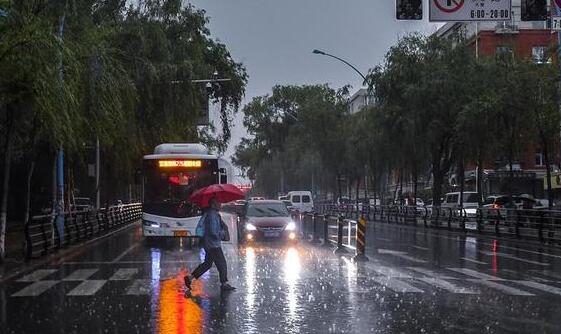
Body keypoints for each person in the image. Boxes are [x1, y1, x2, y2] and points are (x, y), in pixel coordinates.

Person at [184, 198, 235, 292]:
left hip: (209, 243)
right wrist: (223, 233)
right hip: (213, 244)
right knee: (222, 263)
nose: (220, 204)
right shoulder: (212, 215)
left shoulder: (213, 214)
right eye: (218, 202)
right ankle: (224, 283)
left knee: (207, 264)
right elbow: (213, 231)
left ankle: (190, 278)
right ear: (213, 204)